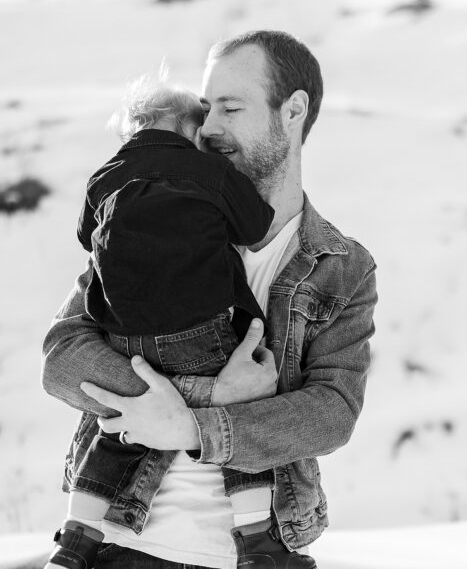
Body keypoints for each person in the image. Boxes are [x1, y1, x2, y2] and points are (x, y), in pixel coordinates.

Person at [41, 30, 378, 569]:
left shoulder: (340, 266)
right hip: (118, 546)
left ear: (292, 111)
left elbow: (332, 413)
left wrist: (193, 429)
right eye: (205, 108)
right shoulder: (151, 219)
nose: (210, 127)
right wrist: (206, 395)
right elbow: (62, 359)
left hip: (258, 555)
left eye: (231, 107)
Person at [45, 72, 290, 569]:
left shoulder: (105, 175)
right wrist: (215, 396)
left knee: (118, 429)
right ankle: (258, 543)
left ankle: (75, 542)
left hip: (122, 333)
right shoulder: (207, 171)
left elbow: (84, 234)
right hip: (199, 327)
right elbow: (256, 224)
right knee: (241, 418)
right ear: (188, 128)